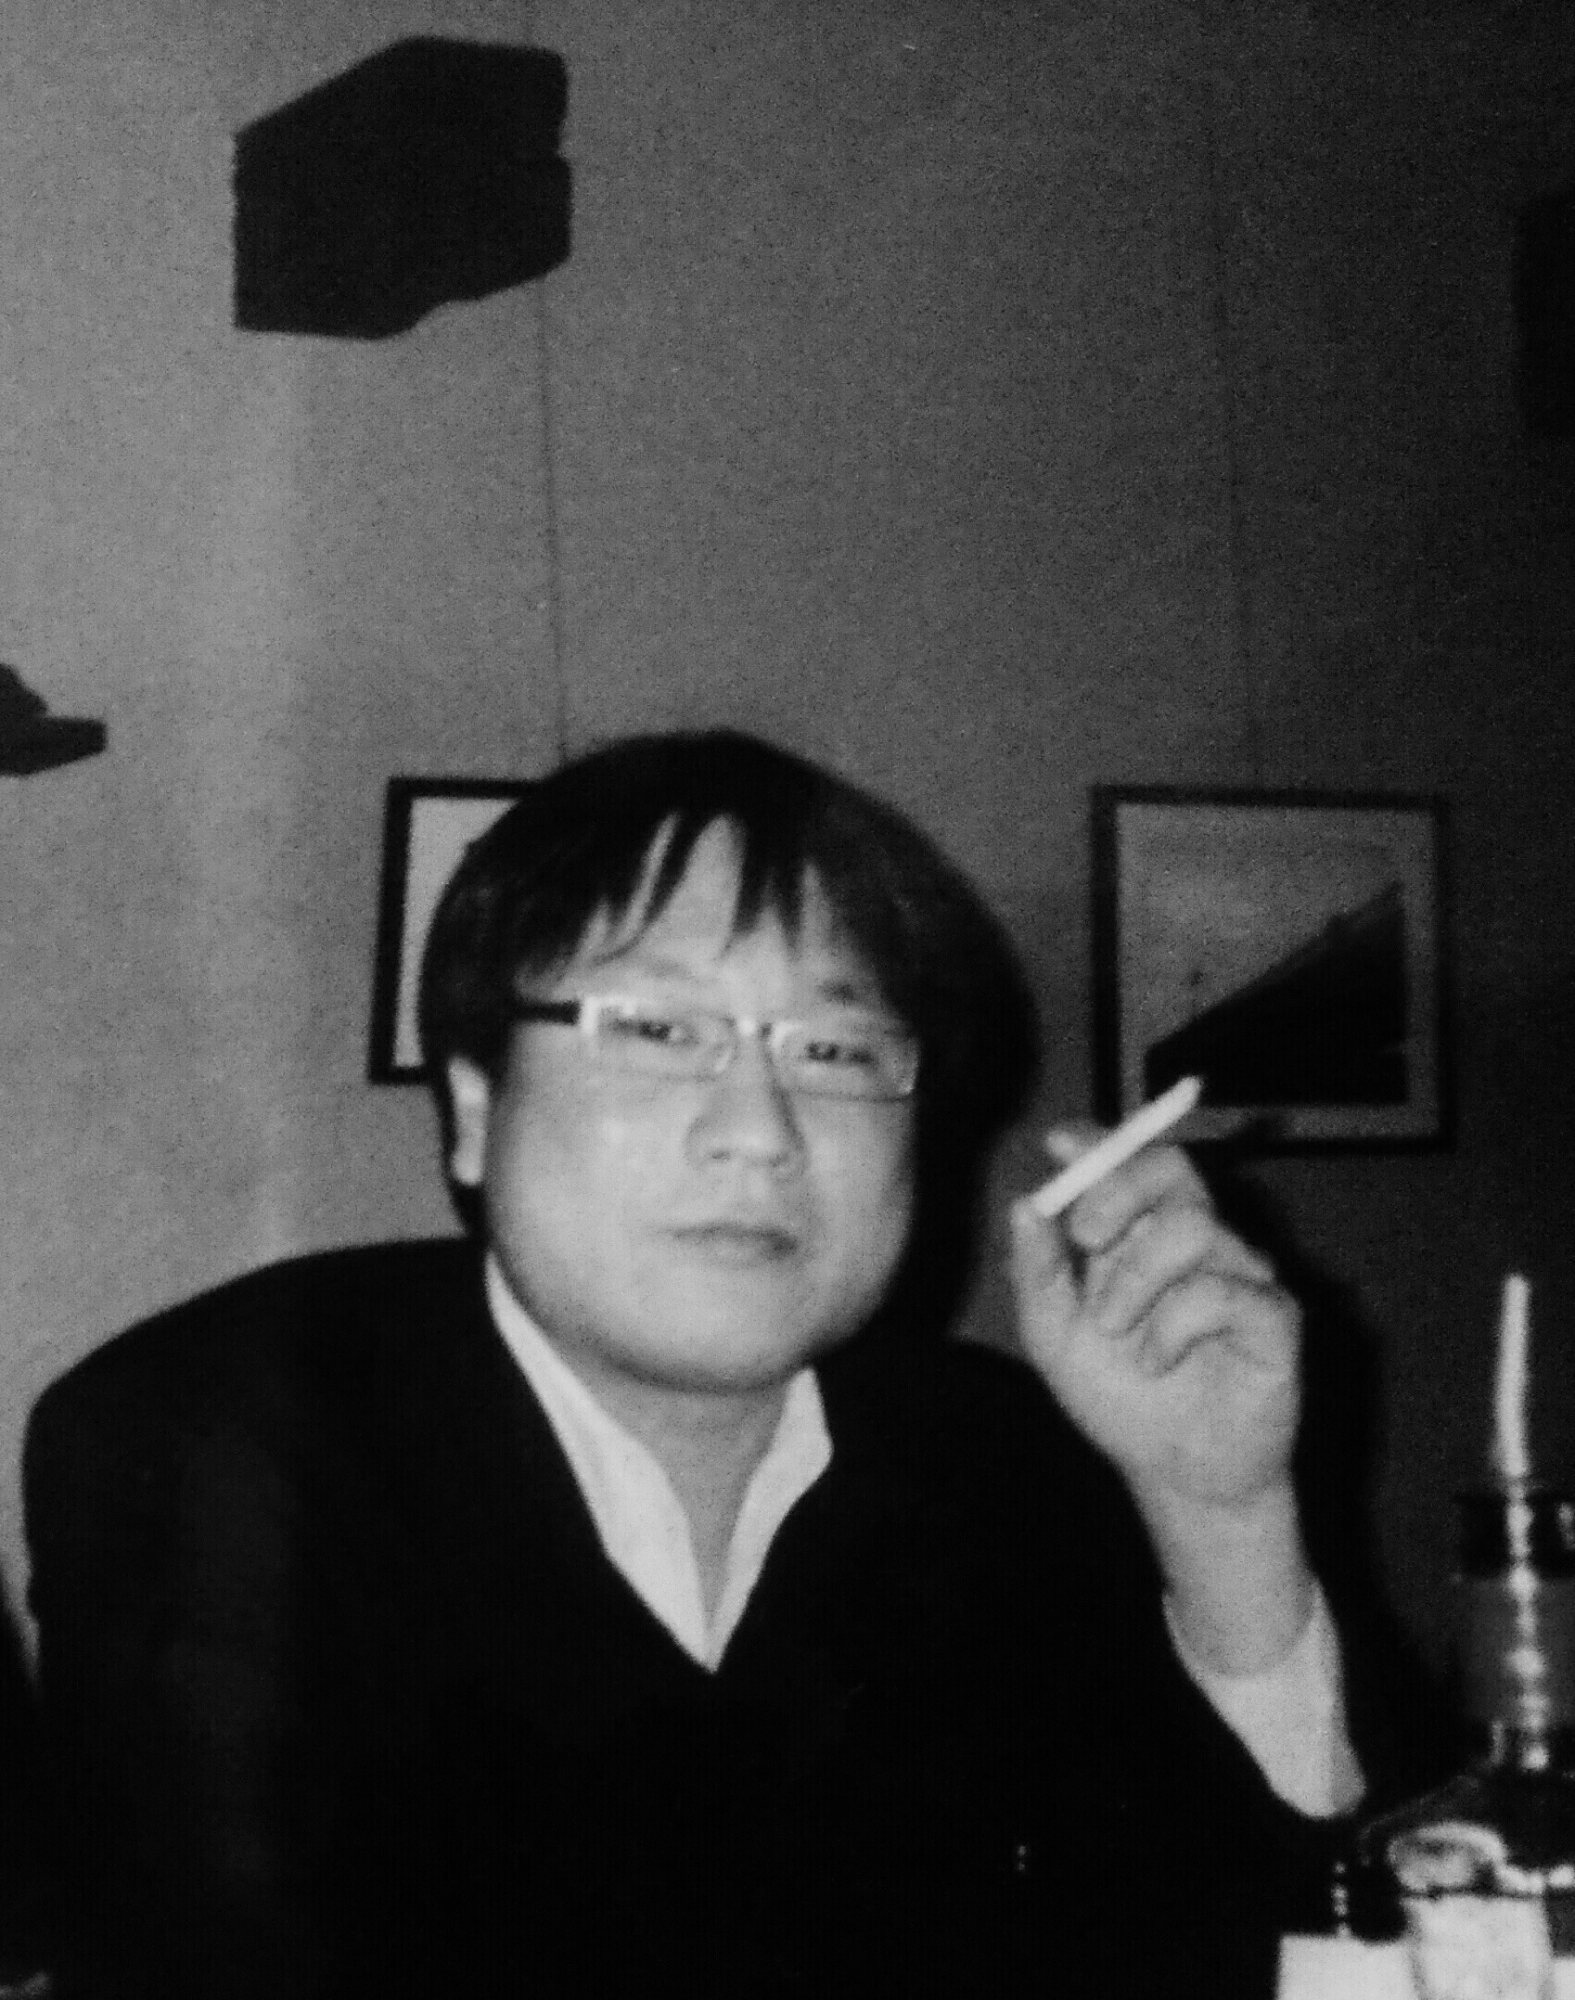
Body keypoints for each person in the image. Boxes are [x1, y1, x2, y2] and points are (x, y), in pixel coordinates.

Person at [24, 729, 1433, 1999]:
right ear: (473, 1112)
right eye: (657, 1030)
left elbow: (1286, 1943)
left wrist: (1220, 1518)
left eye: (836, 1048)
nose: (759, 1128)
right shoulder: (226, 1445)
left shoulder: (998, 1454)